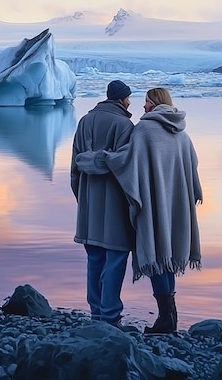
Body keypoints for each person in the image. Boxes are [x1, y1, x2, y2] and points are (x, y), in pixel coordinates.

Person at [76, 87, 202, 334]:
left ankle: (151, 318)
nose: (142, 106)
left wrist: (86, 161)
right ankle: (169, 317)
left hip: (153, 205)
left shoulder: (144, 130)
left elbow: (123, 160)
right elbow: (193, 170)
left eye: (146, 101)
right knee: (167, 259)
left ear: (155, 103)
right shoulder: (183, 134)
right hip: (176, 206)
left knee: (155, 256)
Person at [70, 79, 135, 327]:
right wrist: (134, 204)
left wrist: (81, 198)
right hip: (115, 204)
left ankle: (96, 314)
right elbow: (127, 167)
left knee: (94, 259)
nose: (130, 102)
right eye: (128, 98)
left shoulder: (84, 121)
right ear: (121, 99)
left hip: (88, 204)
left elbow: (75, 166)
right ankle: (110, 316)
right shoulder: (125, 125)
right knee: (116, 258)